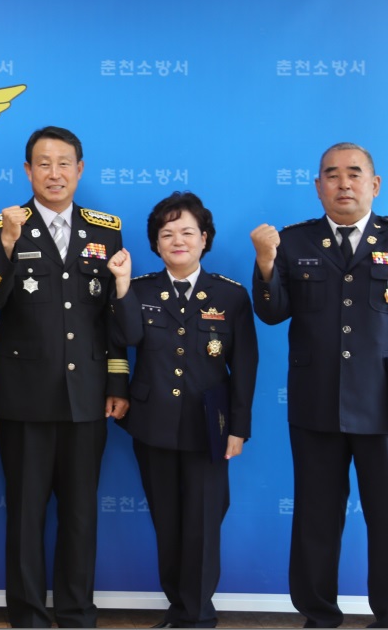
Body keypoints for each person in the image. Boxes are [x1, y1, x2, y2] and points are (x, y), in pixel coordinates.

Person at [251, 142, 388, 628]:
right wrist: (265, 262)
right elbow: (273, 313)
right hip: (316, 402)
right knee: (316, 520)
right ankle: (319, 616)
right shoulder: (294, 241)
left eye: (354, 173)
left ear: (374, 184)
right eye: (332, 175)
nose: (343, 183)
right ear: (318, 186)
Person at [0, 125, 129, 628]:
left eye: (64, 163)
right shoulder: (0, 225)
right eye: (43, 163)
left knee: (81, 514)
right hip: (24, 396)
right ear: (27, 170)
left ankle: (77, 612)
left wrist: (117, 382)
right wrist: (7, 244)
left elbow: (113, 315)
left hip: (87, 394)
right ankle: (28, 616)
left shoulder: (106, 230)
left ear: (80, 170)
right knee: (25, 514)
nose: (54, 173)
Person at [107, 191, 258, 628]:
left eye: (188, 232)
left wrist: (239, 428)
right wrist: (121, 285)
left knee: (204, 524)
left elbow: (245, 367)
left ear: (204, 238)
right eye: (167, 233)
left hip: (209, 427)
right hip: (152, 424)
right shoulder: (138, 289)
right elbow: (125, 338)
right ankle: (179, 608)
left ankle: (198, 614)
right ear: (155, 243)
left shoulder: (230, 295)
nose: (178, 241)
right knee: (167, 523)